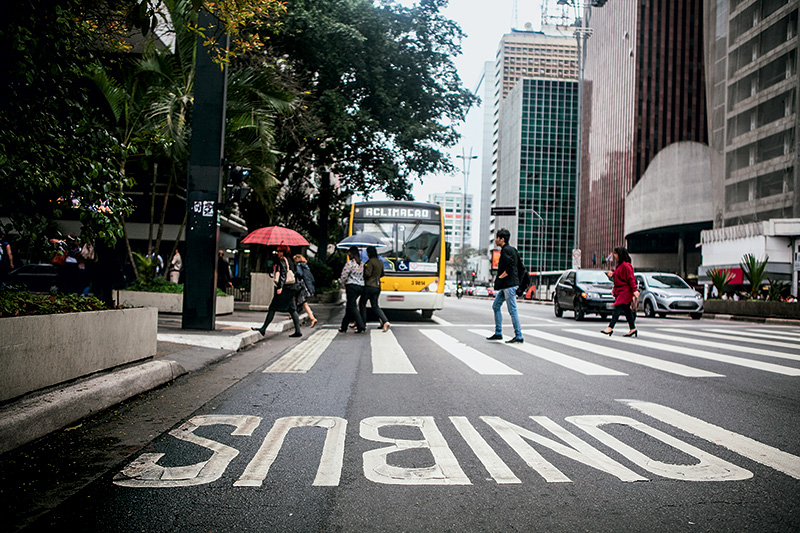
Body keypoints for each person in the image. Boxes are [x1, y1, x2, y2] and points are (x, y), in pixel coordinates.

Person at [252, 245, 302, 338]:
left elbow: (283, 274)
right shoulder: (290, 260)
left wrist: (280, 287)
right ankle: (298, 331)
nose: (277, 253)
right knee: (292, 309)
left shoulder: (282, 260)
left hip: (285, 288)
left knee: (273, 307)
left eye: (279, 251)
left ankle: (263, 329)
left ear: (283, 252)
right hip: (291, 288)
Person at [487, 228, 523, 343]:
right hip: (506, 286)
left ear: (502, 239)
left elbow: (510, 267)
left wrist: (500, 277)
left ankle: (519, 336)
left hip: (509, 285)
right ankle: (498, 333)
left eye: (497, 238)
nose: (495, 240)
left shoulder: (506, 250)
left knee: (512, 310)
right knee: (496, 306)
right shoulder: (512, 250)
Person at [601, 246, 639, 338]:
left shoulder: (626, 265)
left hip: (625, 291)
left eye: (615, 253)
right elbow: (618, 277)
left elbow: (631, 278)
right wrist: (613, 275)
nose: (614, 256)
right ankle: (632, 328)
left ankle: (610, 327)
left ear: (620, 254)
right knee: (627, 310)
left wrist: (634, 290)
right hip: (620, 290)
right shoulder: (619, 265)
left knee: (617, 308)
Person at [361, 246, 390, 332]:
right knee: (375, 306)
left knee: (362, 303)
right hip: (377, 286)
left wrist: (364, 270)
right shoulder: (380, 262)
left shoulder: (370, 262)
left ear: (369, 253)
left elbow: (368, 274)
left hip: (369, 286)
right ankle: (385, 321)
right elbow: (382, 274)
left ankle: (362, 323)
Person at [339, 246, 366, 333]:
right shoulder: (361, 263)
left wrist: (343, 283)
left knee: (352, 306)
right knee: (349, 306)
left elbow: (344, 275)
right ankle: (344, 326)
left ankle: (361, 325)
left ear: (351, 253)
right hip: (361, 286)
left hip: (352, 286)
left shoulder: (350, 263)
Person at [293, 254, 318, 327]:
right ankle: (293, 314)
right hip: (306, 286)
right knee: (301, 301)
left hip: (302, 286)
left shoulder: (298, 265)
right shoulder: (306, 267)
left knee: (303, 302)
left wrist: (294, 275)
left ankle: (312, 318)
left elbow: (299, 274)